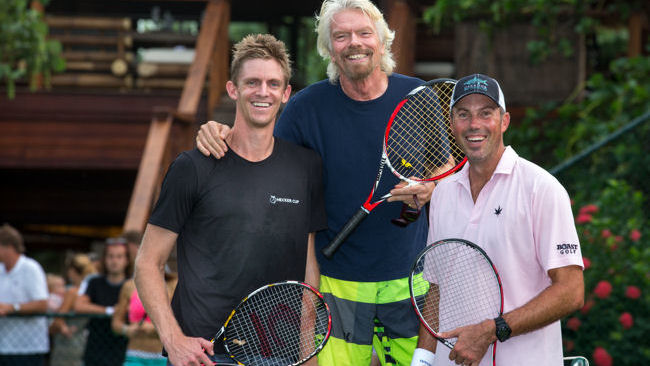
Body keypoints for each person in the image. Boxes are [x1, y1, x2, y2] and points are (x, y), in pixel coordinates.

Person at [196, 1, 433, 364]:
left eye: (364, 33)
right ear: (329, 48)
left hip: (410, 282)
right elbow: (261, 153)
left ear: (382, 41)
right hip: (337, 285)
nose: (354, 43)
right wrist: (217, 131)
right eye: (341, 36)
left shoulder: (418, 97)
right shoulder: (305, 108)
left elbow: (446, 168)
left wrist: (431, 189)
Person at [134, 33, 327, 366]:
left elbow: (309, 268)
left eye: (272, 83)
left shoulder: (306, 166)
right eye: (252, 82)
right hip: (205, 355)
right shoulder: (193, 167)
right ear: (233, 89)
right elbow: (147, 263)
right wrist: (173, 339)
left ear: (286, 94)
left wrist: (306, 349)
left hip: (279, 354)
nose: (262, 92)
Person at [410, 74, 585, 366]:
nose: (474, 125)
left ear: (504, 121)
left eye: (485, 113)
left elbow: (571, 291)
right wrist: (423, 358)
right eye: (463, 114)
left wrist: (494, 329)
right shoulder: (442, 194)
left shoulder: (541, 188)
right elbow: (437, 288)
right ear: (452, 124)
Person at [75, 239, 131, 366]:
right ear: (104, 259)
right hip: (95, 348)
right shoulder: (93, 281)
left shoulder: (133, 284)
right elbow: (79, 306)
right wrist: (109, 311)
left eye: (119, 256)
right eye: (110, 256)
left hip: (125, 348)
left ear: (127, 260)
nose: (114, 261)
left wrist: (122, 310)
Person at [0, 223, 49, 366]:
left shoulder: (31, 268)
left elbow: (42, 304)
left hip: (28, 348)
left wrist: (12, 308)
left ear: (8, 247)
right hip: (3, 346)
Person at [111, 272, 177, 366]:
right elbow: (115, 323)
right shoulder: (129, 286)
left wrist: (156, 329)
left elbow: (181, 322)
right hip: (134, 355)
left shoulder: (173, 284)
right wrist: (127, 330)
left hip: (163, 357)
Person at [49, 253, 97, 366]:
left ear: (72, 271)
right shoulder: (93, 292)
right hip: (88, 343)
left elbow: (58, 320)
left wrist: (54, 327)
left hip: (68, 343)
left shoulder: (72, 292)